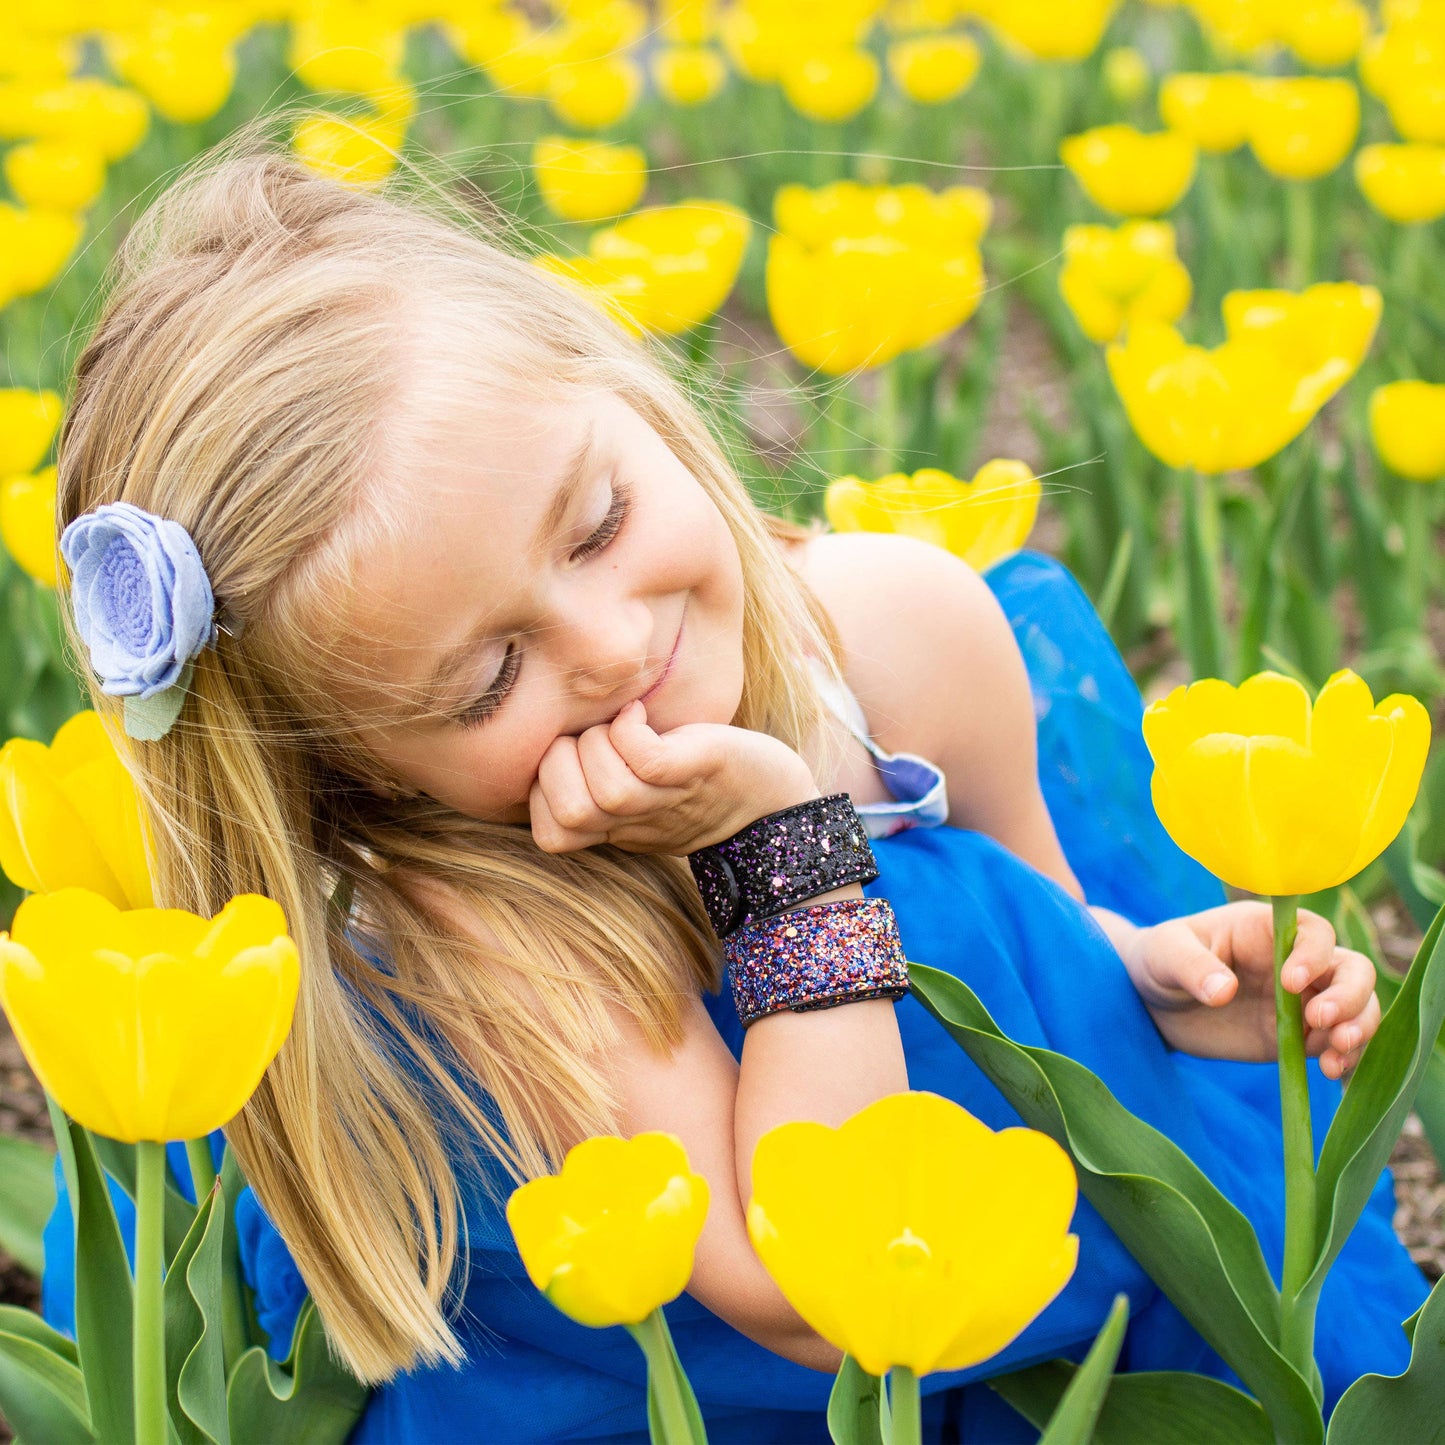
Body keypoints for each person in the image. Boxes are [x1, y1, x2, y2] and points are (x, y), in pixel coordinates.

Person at [42, 139, 1426, 1443]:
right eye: (483, 682)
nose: (609, 648)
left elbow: (1032, 917)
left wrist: (1153, 981)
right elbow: (802, 1286)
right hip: (721, 1369)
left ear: (633, 391)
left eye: (597, 525)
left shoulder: (896, 633)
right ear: (357, 784)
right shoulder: (497, 932)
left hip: (1007, 1257)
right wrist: (786, 852)